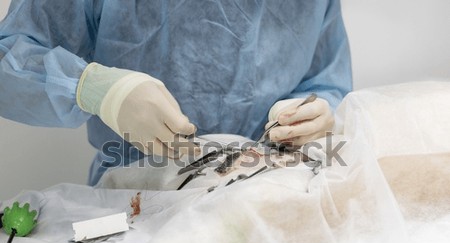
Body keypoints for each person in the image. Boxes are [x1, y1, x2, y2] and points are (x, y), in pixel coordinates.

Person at [0, 0, 352, 185]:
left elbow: (326, 80)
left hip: (263, 191)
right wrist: (96, 88)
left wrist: (319, 113)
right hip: (137, 201)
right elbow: (10, 59)